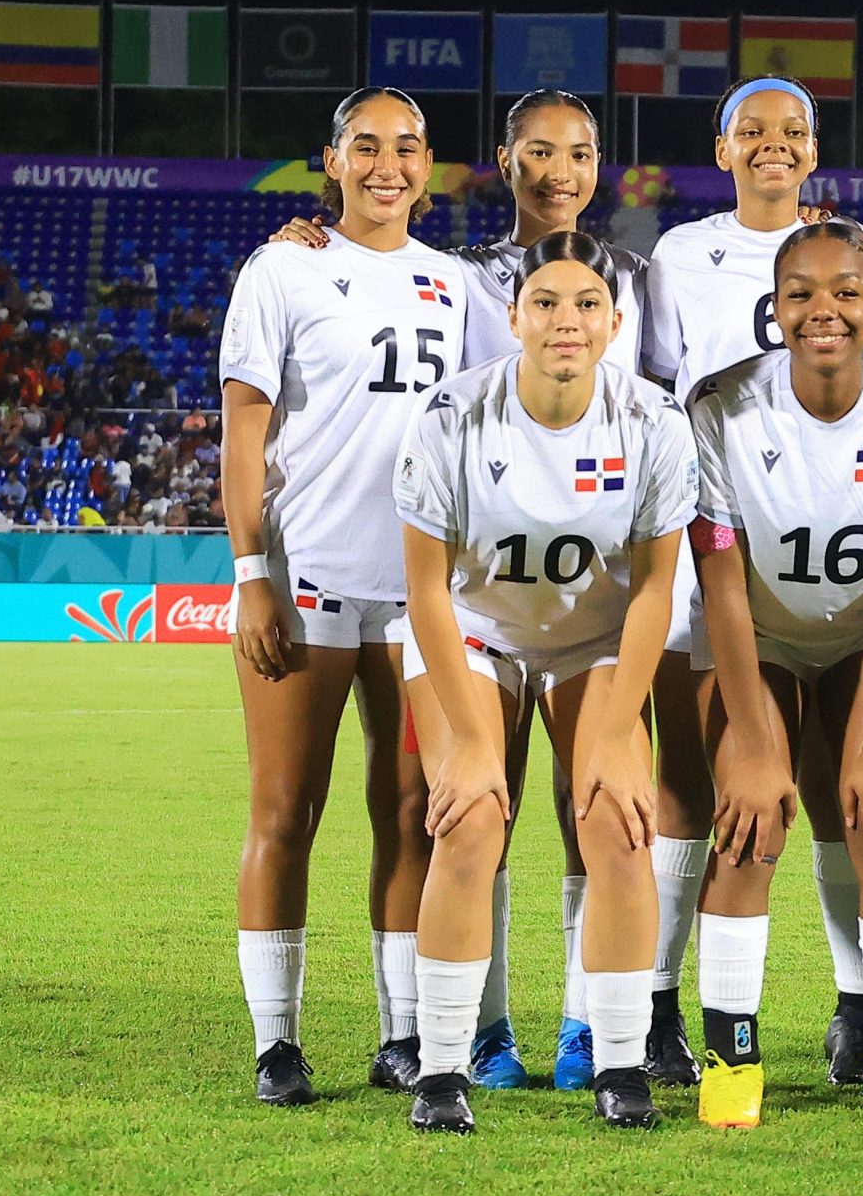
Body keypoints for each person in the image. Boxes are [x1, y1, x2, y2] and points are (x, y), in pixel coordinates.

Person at [273, 88, 652, 1092]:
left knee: (596, 809)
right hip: (472, 578)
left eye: (577, 151)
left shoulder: (635, 278)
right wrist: (321, 240)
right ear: (501, 160)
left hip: (586, 585)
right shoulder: (470, 278)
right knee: (477, 798)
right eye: (537, 150)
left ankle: (588, 1028)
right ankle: (480, 1030)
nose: (558, 170)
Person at [391, 231, 687, 1132]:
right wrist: (475, 743)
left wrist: (612, 730)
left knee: (618, 817)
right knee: (471, 813)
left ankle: (620, 1062)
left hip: (593, 636)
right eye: (547, 303)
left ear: (614, 322)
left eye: (587, 304)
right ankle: (442, 1070)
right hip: (471, 629)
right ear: (514, 317)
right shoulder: (451, 414)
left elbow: (656, 591)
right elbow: (425, 592)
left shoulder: (654, 423)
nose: (567, 320)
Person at [684, 220, 863, 1128]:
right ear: (775, 307)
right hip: (755, 633)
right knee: (749, 811)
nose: (823, 309)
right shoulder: (721, 404)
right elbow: (720, 576)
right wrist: (757, 741)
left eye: (846, 291)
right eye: (801, 292)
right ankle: (732, 1058)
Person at [220, 87, 464, 1108]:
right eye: (365, 146)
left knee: (411, 812)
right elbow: (241, 429)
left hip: (421, 596)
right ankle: (277, 1044)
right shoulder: (284, 267)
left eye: (405, 147)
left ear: (430, 162)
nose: (386, 165)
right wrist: (251, 577)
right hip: (307, 576)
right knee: (286, 810)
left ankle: (401, 1034)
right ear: (331, 160)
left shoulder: (460, 286)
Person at [642, 77, 859, 1087]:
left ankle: (858, 1013)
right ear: (721, 146)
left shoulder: (853, 254)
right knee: (694, 792)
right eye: (753, 132)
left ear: (813, 151)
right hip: (704, 556)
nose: (773, 146)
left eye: (792, 133)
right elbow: (647, 397)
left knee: (833, 790)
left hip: (826, 564)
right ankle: (656, 1010)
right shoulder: (681, 256)